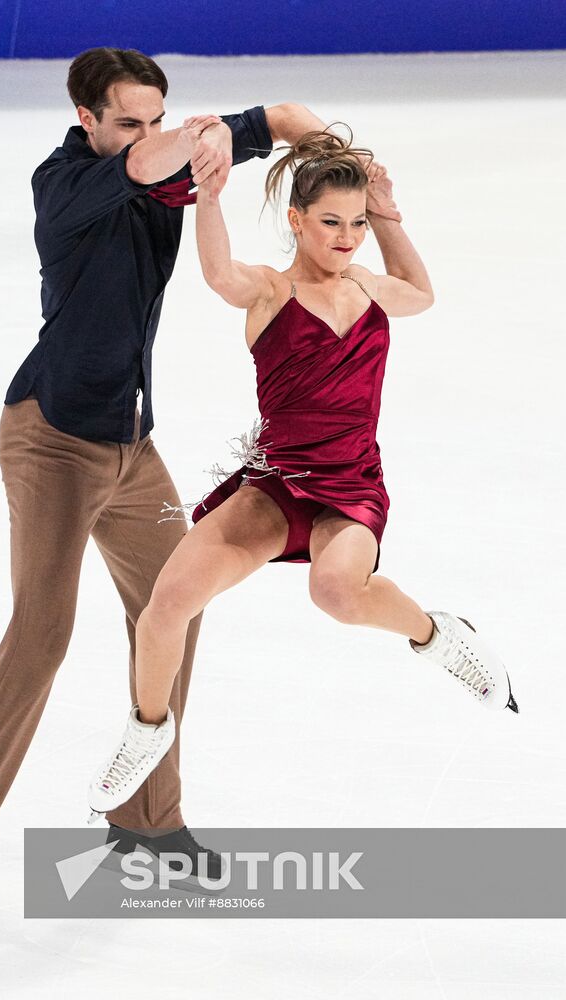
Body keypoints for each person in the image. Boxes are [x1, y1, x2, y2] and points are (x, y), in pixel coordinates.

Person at [0, 45, 333, 936]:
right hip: (53, 439)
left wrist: (336, 158)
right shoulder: (64, 185)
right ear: (88, 122)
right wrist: (200, 139)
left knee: (176, 601)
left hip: (133, 450)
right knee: (40, 636)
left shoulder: (171, 159)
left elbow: (288, 117)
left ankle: (144, 821)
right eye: (127, 120)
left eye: (156, 115)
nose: (145, 134)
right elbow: (150, 162)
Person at [85, 123, 519, 826]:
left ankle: (437, 635)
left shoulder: (371, 286)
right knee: (167, 604)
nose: (346, 237)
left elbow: (422, 293)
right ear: (296, 220)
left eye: (354, 224)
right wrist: (210, 197)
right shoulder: (270, 292)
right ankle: (146, 726)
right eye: (330, 222)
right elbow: (219, 275)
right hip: (277, 484)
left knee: (338, 591)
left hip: (351, 487)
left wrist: (387, 213)